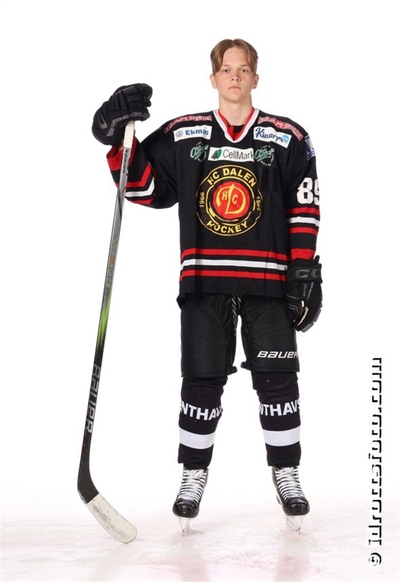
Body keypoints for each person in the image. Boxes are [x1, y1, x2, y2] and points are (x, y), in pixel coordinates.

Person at [91, 38, 322, 534]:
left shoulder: (288, 137)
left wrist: (303, 272)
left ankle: (287, 473)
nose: (234, 76)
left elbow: (304, 208)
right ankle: (192, 476)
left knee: (279, 383)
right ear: (213, 78)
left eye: (243, 69)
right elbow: (145, 187)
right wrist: (115, 139)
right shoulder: (183, 132)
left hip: (268, 280)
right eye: (226, 69)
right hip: (204, 279)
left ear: (255, 77)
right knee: (200, 382)